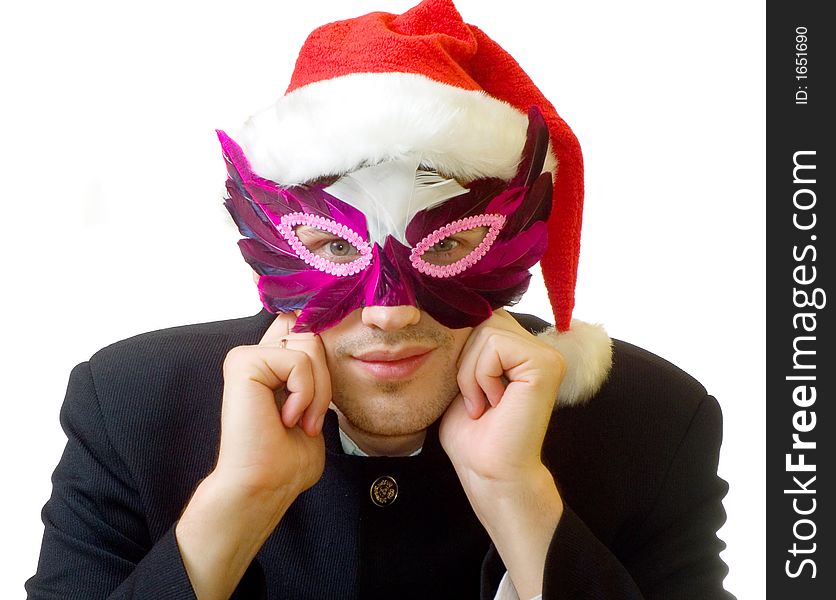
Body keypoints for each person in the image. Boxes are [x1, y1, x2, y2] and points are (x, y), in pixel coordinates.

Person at [26, 1, 734, 598]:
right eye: (335, 246)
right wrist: (233, 508)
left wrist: (521, 501)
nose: (390, 312)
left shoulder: (655, 425)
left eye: (450, 244)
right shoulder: (128, 410)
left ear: (520, 235)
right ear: (260, 233)